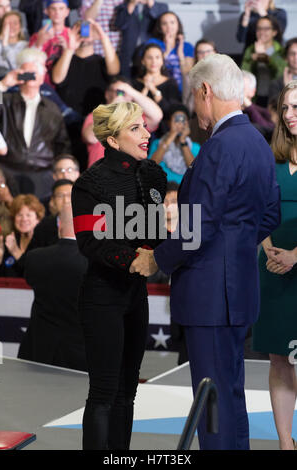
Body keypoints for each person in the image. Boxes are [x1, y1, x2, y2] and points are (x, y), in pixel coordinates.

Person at [129, 53, 281, 450]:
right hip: (237, 289)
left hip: (209, 294)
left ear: (206, 91)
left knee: (211, 400)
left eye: (195, 99)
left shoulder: (218, 146)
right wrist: (234, 247)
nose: (194, 109)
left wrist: (156, 258)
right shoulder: (259, 143)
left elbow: (200, 224)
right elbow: (271, 215)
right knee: (230, 395)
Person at [71, 101, 167, 450]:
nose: (147, 133)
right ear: (113, 140)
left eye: (145, 126)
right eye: (136, 128)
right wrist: (134, 261)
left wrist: (158, 253)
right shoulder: (88, 184)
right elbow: (91, 243)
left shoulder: (153, 174)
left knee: (128, 392)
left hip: (135, 296)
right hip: (102, 297)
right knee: (104, 393)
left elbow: (154, 233)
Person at [252, 80, 297, 451]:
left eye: (296, 107)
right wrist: (269, 250)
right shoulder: (271, 155)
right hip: (270, 267)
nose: (290, 114)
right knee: (279, 359)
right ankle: (286, 443)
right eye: (285, 108)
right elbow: (257, 209)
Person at [17, 204, 88, 372]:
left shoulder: (35, 258)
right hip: (80, 355)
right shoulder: (94, 263)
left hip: (38, 351)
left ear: (59, 225)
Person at [0, 47, 71, 199]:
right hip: (6, 170)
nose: (34, 73)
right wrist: (3, 84)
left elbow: (62, 144)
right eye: (29, 69)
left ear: (43, 75)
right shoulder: (6, 101)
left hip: (43, 176)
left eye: (39, 68)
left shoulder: (52, 108)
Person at [81, 75, 163, 166]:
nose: (120, 94)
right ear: (107, 94)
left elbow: (157, 116)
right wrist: (112, 108)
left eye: (124, 92)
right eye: (117, 91)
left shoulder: (136, 118)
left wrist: (131, 91)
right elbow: (90, 137)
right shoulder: (95, 116)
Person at [52, 19, 120, 117]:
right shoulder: (64, 60)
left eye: (87, 32)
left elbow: (115, 70)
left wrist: (103, 37)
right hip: (68, 118)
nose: (83, 35)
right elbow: (57, 79)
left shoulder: (102, 62)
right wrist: (70, 48)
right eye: (78, 32)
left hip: (97, 118)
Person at [148, 103, 200, 184]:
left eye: (183, 120)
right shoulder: (157, 144)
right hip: (163, 189)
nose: (179, 124)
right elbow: (150, 167)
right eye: (176, 120)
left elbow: (195, 170)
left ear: (187, 123)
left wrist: (183, 141)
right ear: (169, 123)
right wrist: (170, 138)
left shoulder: (195, 147)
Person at [241, 15, 286, 107]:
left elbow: (280, 73)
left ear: (274, 32)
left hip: (274, 97)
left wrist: (265, 57)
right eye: (259, 28)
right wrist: (253, 59)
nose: (262, 32)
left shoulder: (280, 51)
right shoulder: (250, 49)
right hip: (255, 97)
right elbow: (244, 73)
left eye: (266, 29)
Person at [115, 0, 168, 78]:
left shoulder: (162, 7)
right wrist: (132, 4)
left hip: (150, 52)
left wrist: (150, 4)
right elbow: (120, 25)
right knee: (125, 77)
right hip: (127, 53)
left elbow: (161, 23)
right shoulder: (123, 6)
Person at [0, 193, 45, 277]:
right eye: (19, 215)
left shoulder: (44, 243)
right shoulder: (8, 241)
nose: (24, 219)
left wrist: (15, 252)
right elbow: (1, 279)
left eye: (28, 215)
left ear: (38, 218)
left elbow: (36, 275)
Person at [145, 11, 194, 92]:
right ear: (160, 27)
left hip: (183, 91)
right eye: (164, 23)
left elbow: (189, 73)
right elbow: (149, 66)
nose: (169, 27)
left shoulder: (187, 46)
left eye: (172, 22)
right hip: (159, 89)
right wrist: (167, 50)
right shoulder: (153, 43)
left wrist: (181, 54)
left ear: (178, 25)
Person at [132, 43, 181, 119]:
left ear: (162, 61)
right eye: (149, 58)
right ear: (143, 61)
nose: (154, 61)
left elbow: (170, 111)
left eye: (157, 57)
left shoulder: (171, 83)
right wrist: (146, 88)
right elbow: (135, 111)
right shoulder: (135, 83)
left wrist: (153, 89)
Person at [28, 0, 71, 86]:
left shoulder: (72, 35)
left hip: (67, 84)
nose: (57, 12)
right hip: (43, 85)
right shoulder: (37, 36)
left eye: (61, 9)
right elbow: (27, 66)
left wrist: (68, 49)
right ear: (46, 11)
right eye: (53, 9)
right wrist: (38, 44)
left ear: (67, 12)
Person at [28, 179, 73, 249]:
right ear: (53, 200)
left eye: (70, 195)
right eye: (60, 196)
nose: (66, 200)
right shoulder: (43, 226)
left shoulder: (88, 223)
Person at [242, 70, 275, 141]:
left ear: (253, 91)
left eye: (242, 88)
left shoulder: (262, 112)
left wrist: (250, 107)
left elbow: (269, 131)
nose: (237, 90)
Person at [0, 10, 28, 79]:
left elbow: (14, 67)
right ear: (2, 26)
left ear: (20, 26)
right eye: (7, 24)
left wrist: (5, 44)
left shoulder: (25, 46)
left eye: (15, 23)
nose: (11, 26)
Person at [268, 37, 297, 102]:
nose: (296, 57)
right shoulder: (275, 84)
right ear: (286, 58)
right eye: (292, 53)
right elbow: (274, 108)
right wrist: (286, 90)